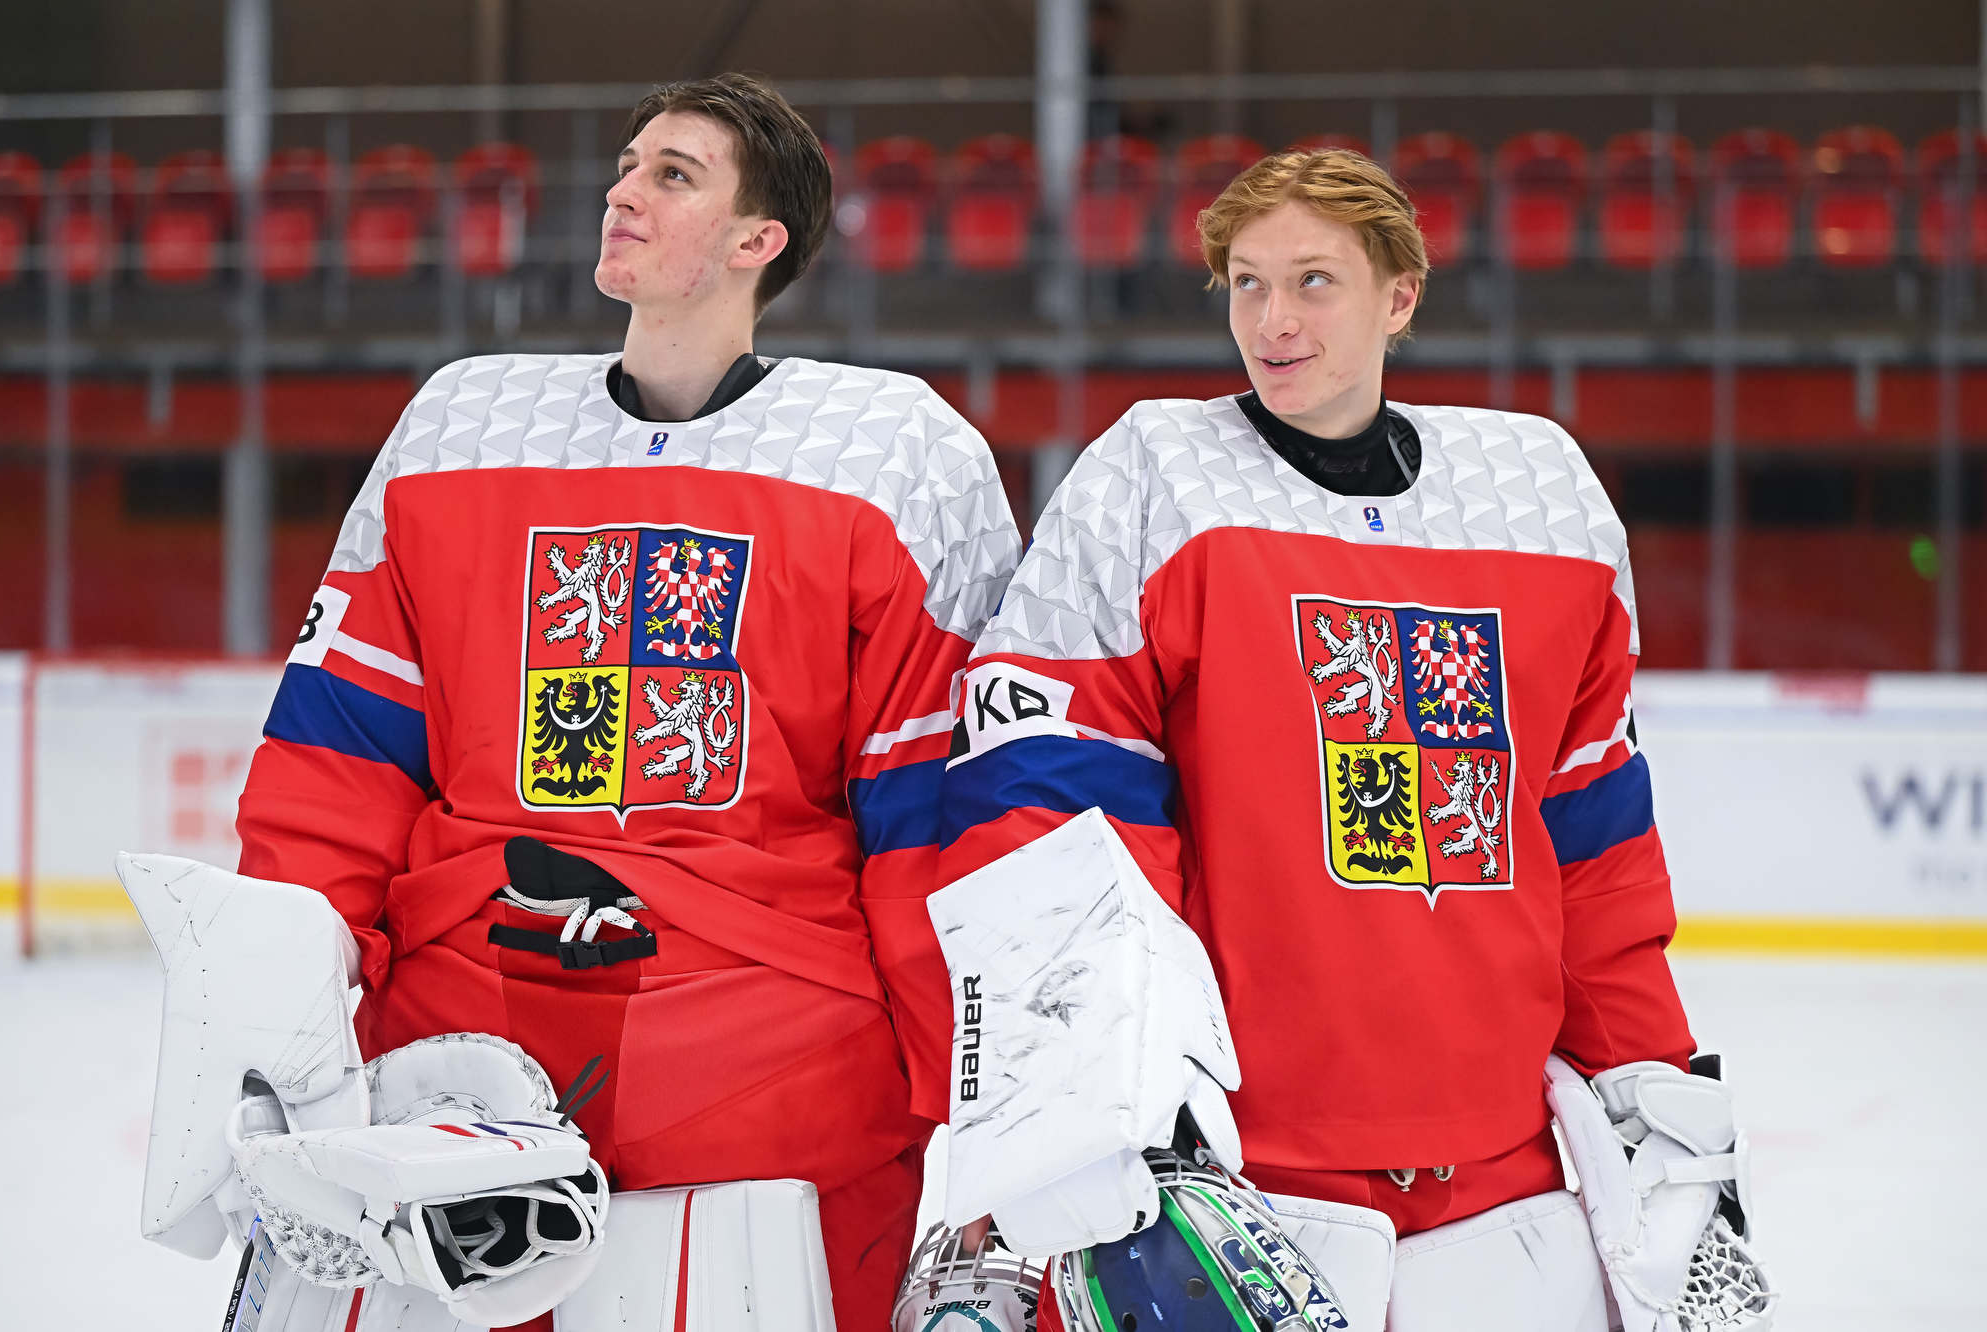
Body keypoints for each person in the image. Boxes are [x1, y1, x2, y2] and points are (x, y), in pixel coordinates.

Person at [933, 148, 1769, 1331]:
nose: (1271, 320)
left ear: (1399, 297)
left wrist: (1651, 1081)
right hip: (1236, 1182)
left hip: (1506, 1185)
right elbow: (1051, 808)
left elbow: (1591, 842)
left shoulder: (1542, 497)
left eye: (1312, 281)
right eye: (1246, 283)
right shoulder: (1154, 476)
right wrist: (1081, 1107)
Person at [235, 72, 1020, 1329]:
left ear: (757, 241)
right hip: (453, 1070)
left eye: (673, 174)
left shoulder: (893, 458)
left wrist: (978, 1115)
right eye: (625, 165)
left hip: (768, 1085)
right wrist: (272, 1038)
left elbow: (931, 817)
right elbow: (341, 761)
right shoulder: (460, 426)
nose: (622, 192)